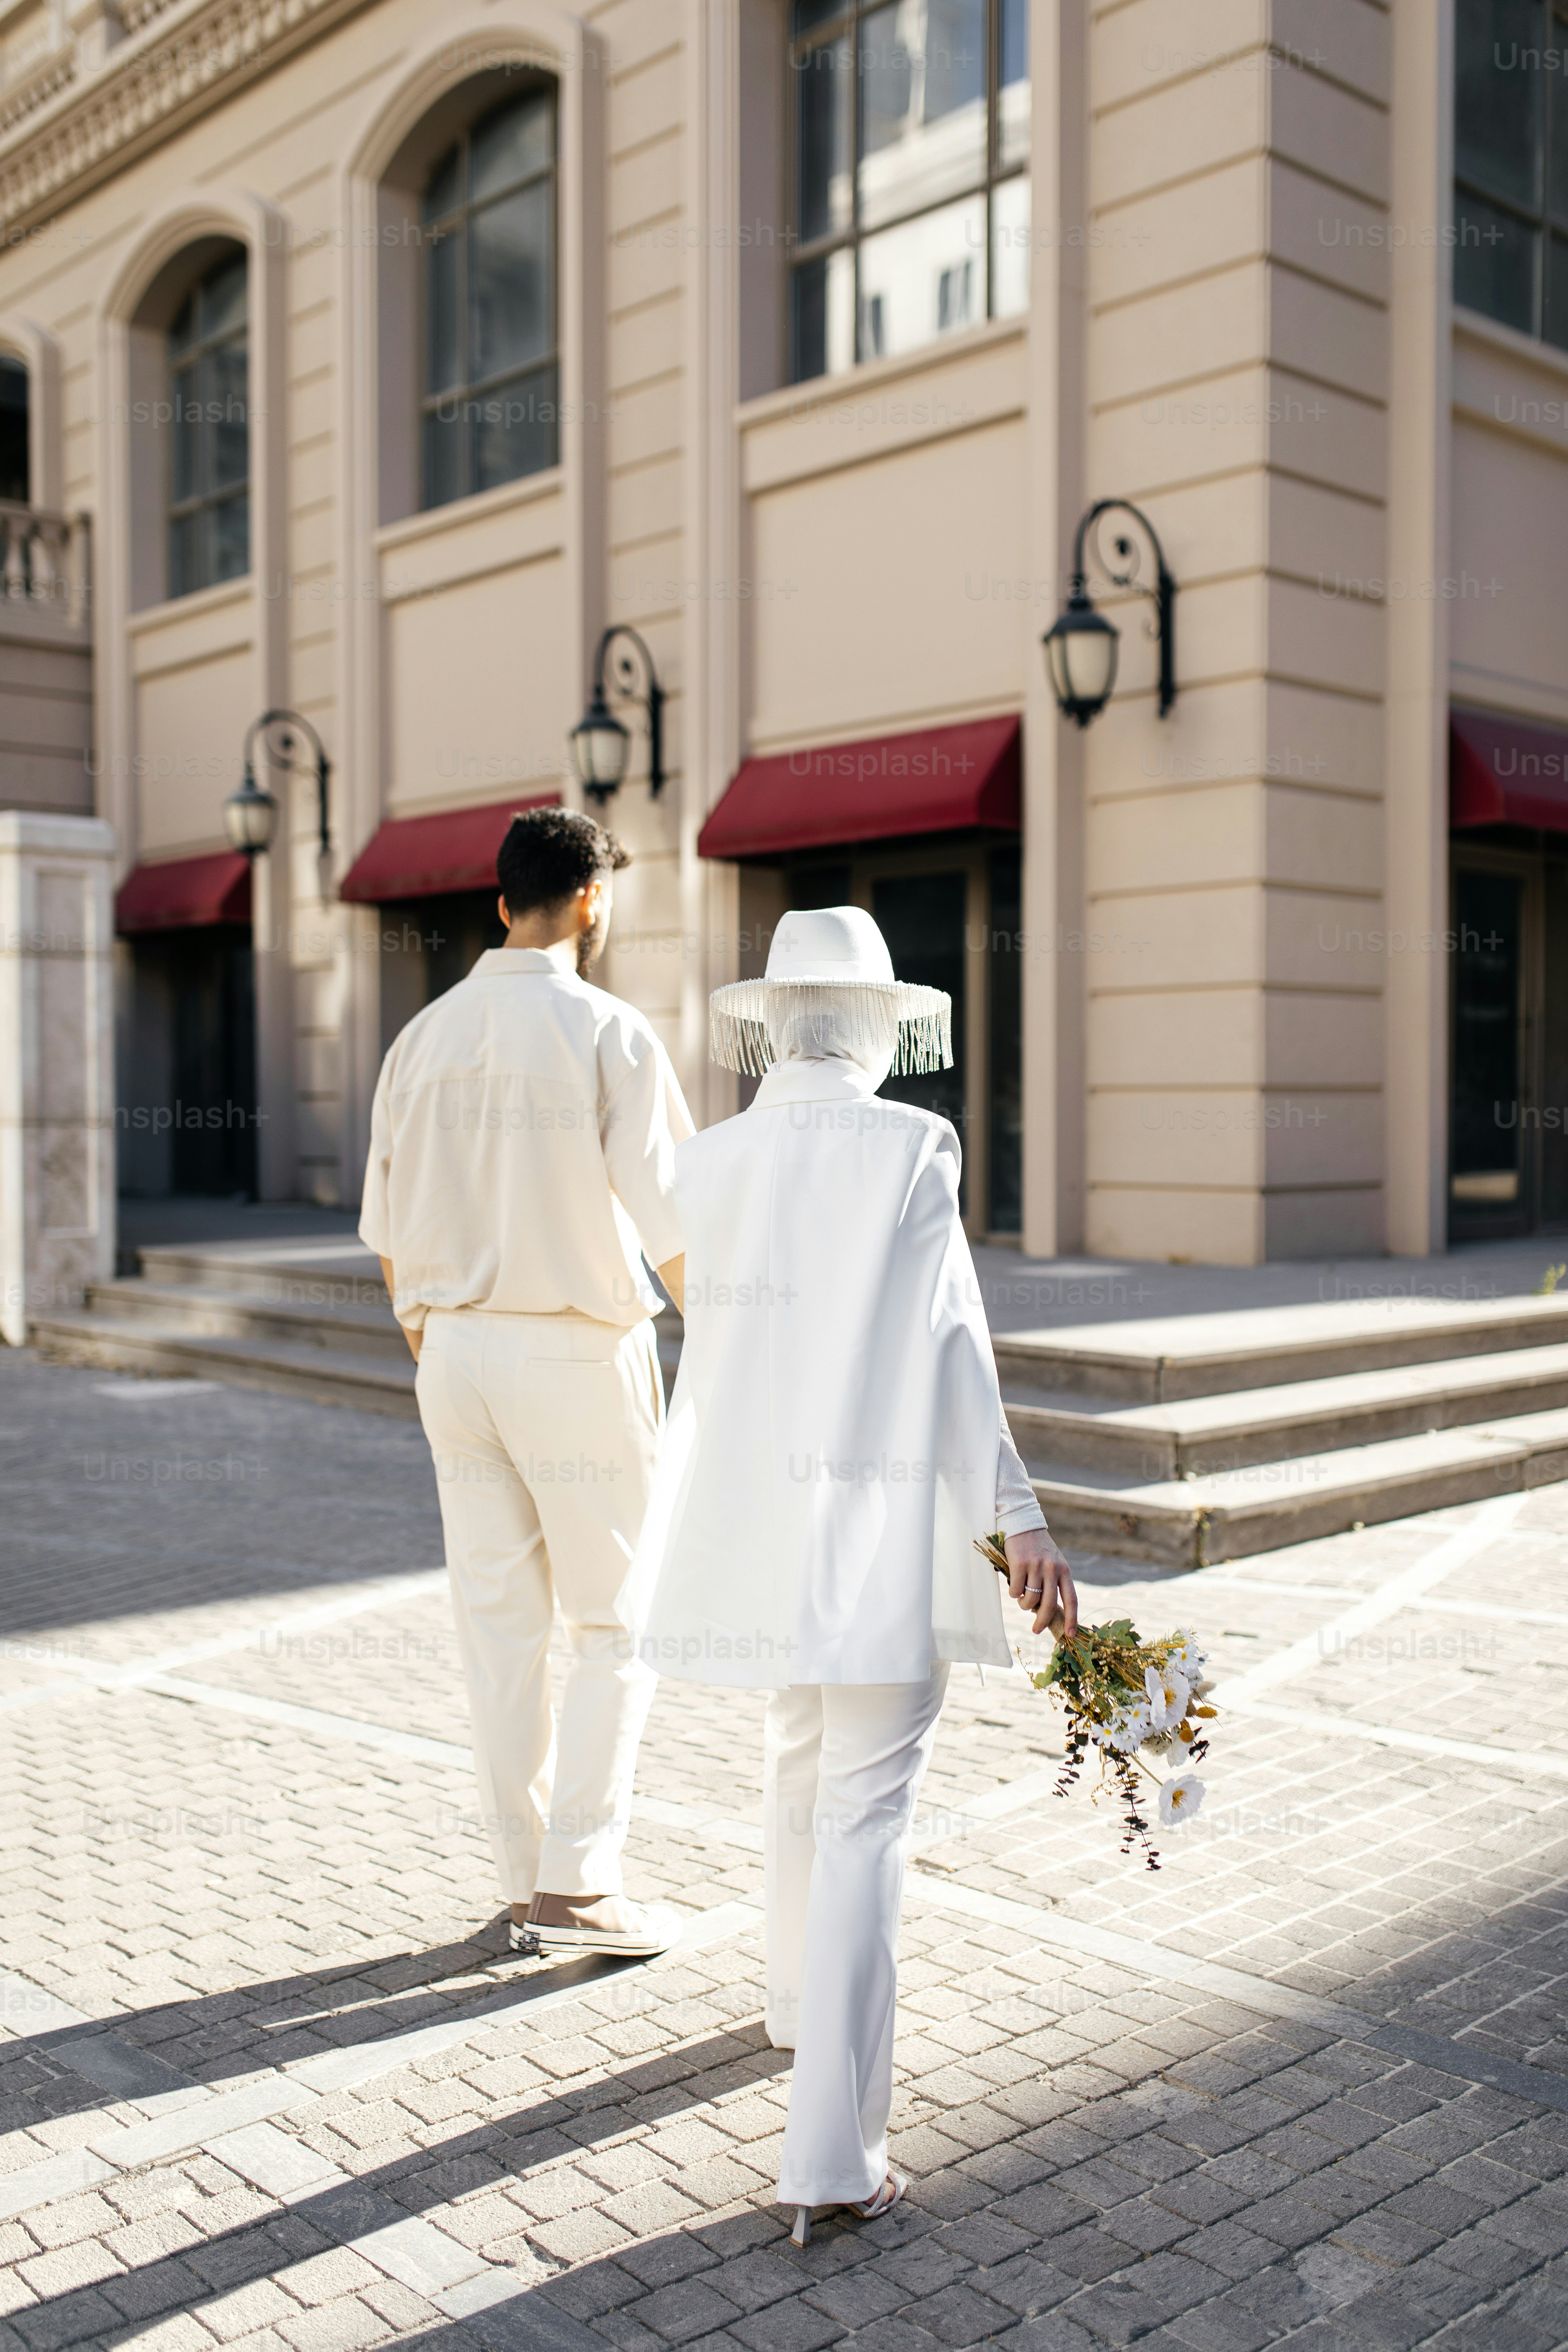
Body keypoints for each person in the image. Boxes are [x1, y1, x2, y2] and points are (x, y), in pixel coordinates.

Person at [620, 905, 1077, 2239]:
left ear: (778, 1021)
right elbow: (952, 1350)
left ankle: (787, 2007)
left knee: (795, 1767)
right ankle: (833, 2155)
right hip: (876, 1537)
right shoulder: (912, 1145)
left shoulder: (711, 1162)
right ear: (876, 1021)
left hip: (765, 1534)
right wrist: (1020, 1518)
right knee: (867, 1815)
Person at [360, 807, 692, 1959]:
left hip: (451, 1350)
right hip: (575, 1346)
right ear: (592, 902)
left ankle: (527, 1876)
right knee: (619, 1620)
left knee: (499, 1627)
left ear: (502, 904)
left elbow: (390, 1236)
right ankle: (581, 1885)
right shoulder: (610, 1031)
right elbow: (676, 1228)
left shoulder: (420, 1041)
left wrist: (440, 1341)